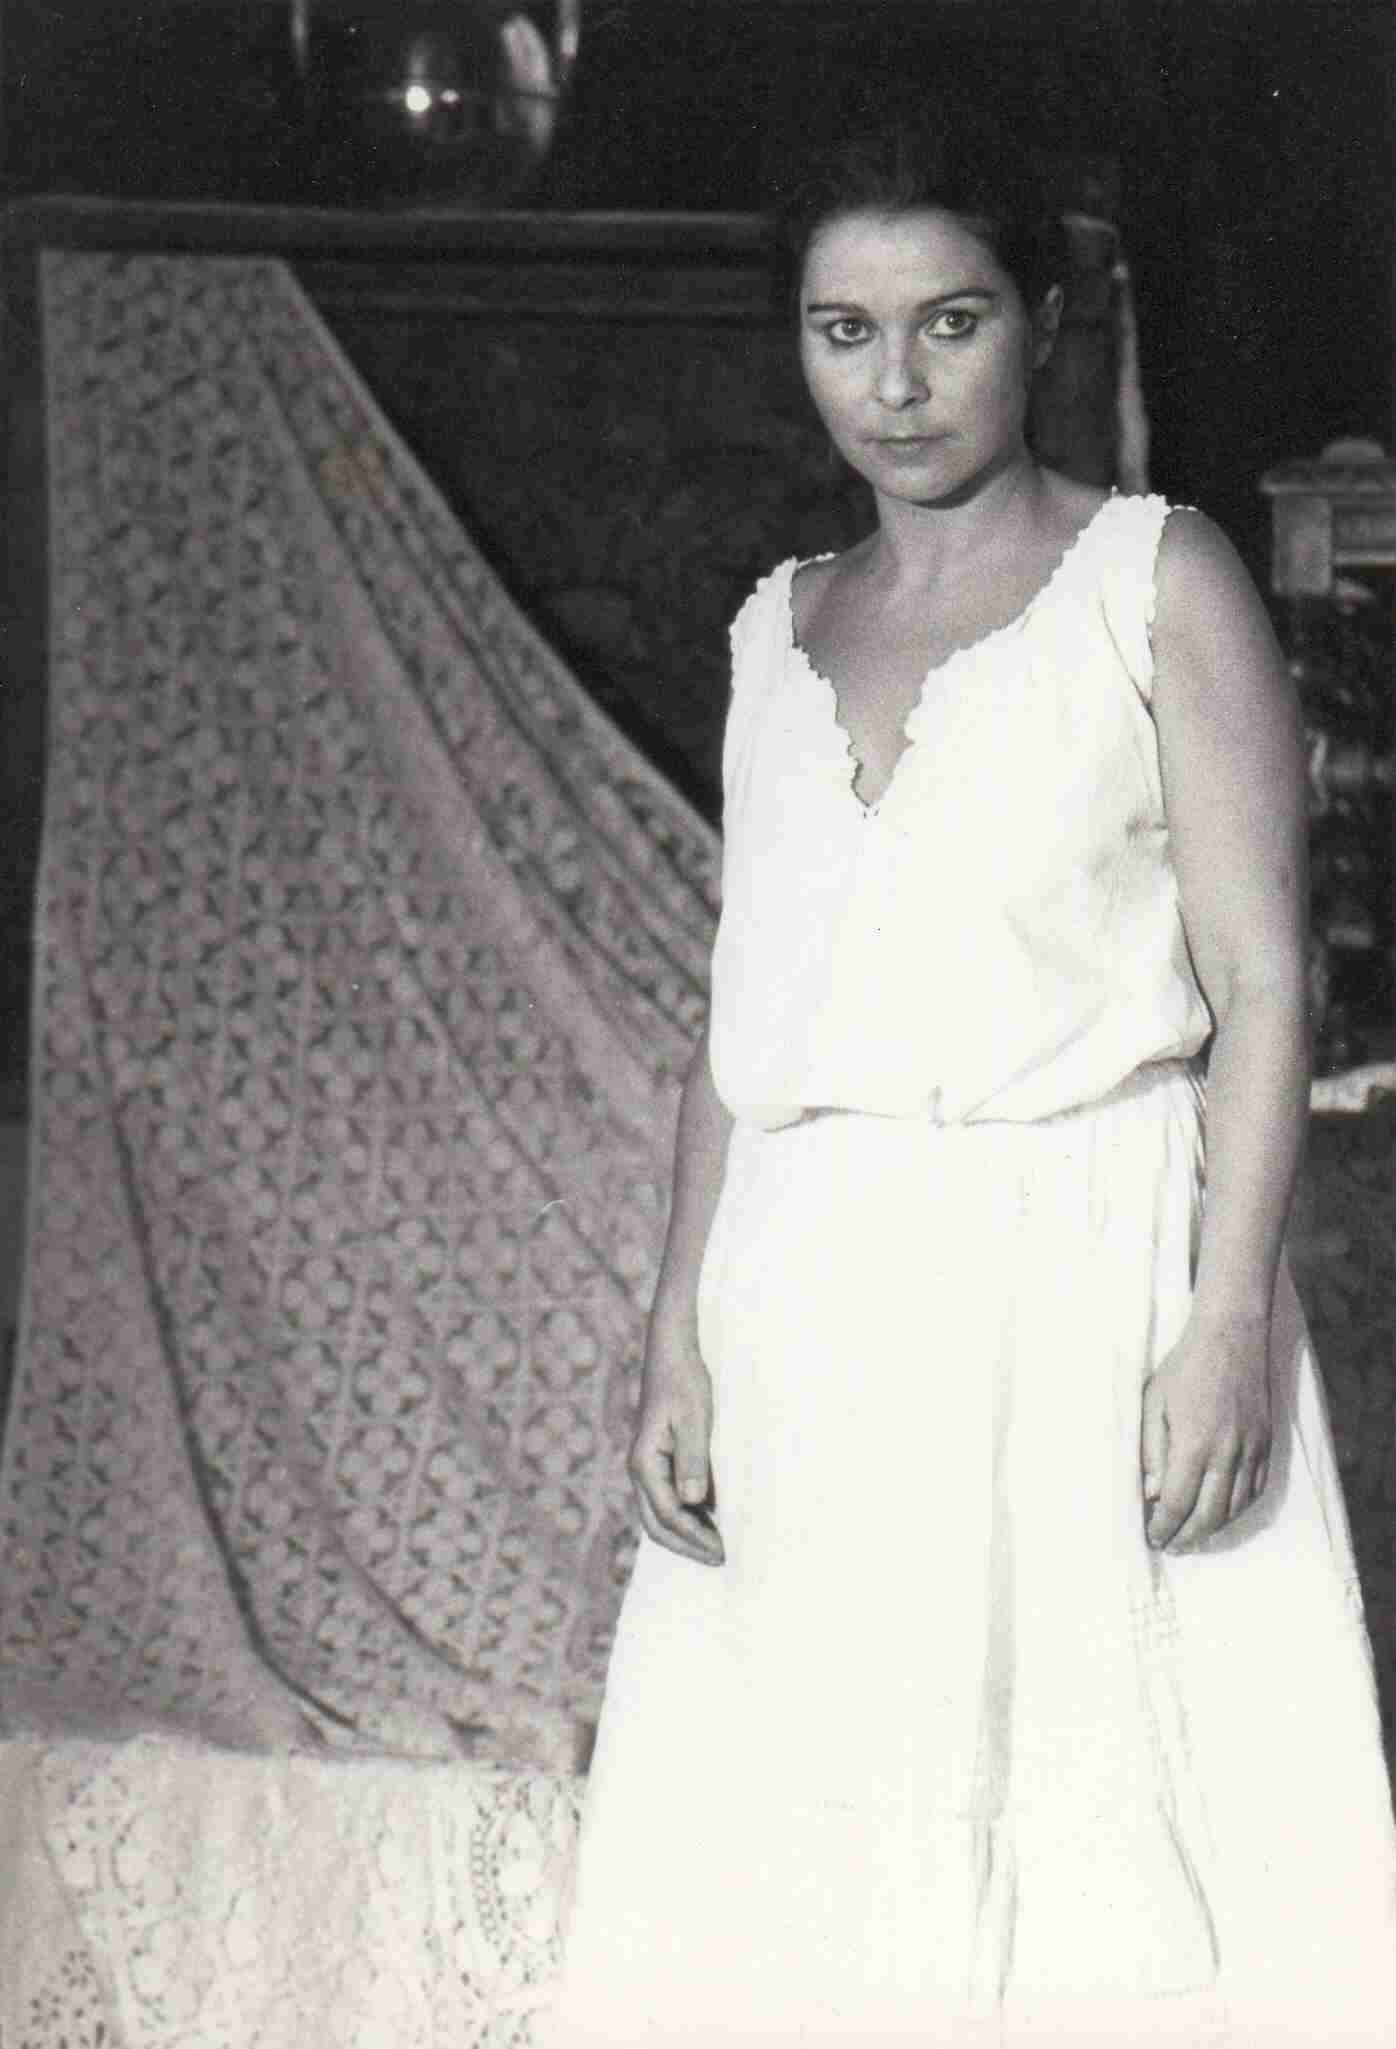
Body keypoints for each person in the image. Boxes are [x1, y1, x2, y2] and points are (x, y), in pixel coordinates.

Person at [538, 123, 1396, 2047]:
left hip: (1081, 1281)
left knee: (1110, 1876)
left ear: (1044, 324)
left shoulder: (1154, 577)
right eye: (845, 330)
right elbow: (741, 1029)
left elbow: (1269, 986)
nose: (898, 383)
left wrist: (1224, 1325)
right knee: (796, 1885)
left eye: (951, 320)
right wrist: (677, 1334)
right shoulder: (775, 625)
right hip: (814, 1302)